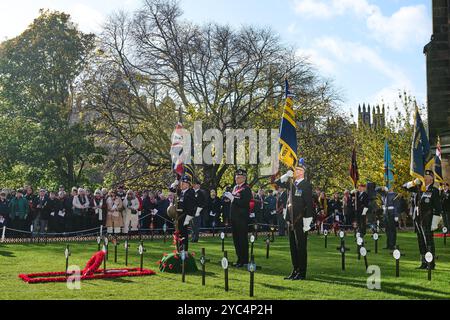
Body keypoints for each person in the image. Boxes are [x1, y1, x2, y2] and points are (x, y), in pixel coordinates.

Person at [275, 158, 313, 280]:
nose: (295, 171)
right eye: (295, 169)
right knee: (292, 247)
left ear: (302, 171)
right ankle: (295, 270)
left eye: (297, 169)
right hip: (290, 220)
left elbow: (308, 203)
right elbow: (277, 183)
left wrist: (308, 220)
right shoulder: (292, 183)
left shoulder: (306, 185)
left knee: (301, 247)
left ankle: (302, 272)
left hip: (301, 220)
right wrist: (286, 175)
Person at [403, 170, 443, 269]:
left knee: (428, 241)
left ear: (431, 179)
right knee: (420, 241)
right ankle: (423, 262)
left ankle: (431, 263)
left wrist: (435, 221)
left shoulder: (434, 191)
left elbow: (438, 208)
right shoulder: (418, 189)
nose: (424, 178)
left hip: (427, 219)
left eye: (426, 177)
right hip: (417, 219)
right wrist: (413, 182)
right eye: (423, 177)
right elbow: (404, 187)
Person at [223, 169, 252, 268]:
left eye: (238, 177)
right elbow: (233, 202)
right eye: (236, 177)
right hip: (234, 217)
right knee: (236, 240)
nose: (236, 178)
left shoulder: (246, 189)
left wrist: (233, 199)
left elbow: (244, 203)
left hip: (242, 218)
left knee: (242, 239)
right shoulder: (235, 187)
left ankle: (244, 260)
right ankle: (239, 259)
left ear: (244, 178)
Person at [170, 175, 196, 252]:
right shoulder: (181, 192)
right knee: (178, 233)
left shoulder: (190, 192)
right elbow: (171, 189)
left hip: (184, 216)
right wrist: (175, 183)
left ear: (188, 184)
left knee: (183, 234)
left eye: (183, 183)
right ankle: (179, 249)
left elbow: (189, 206)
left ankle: (184, 251)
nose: (182, 184)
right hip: (178, 216)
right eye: (181, 183)